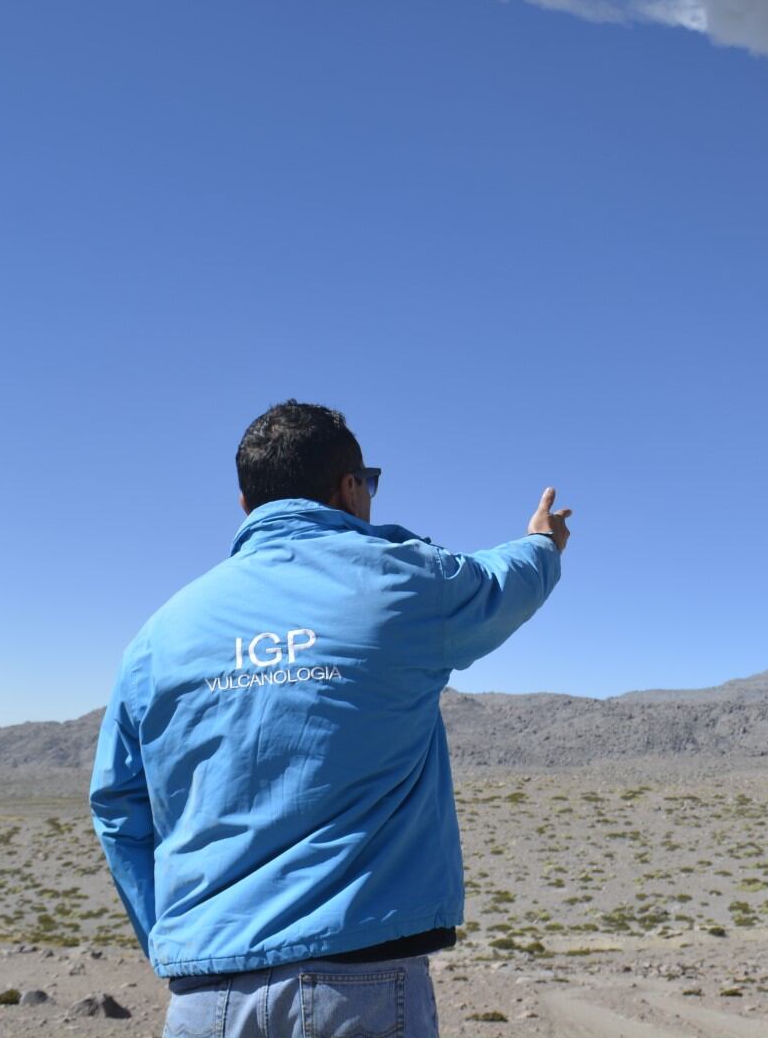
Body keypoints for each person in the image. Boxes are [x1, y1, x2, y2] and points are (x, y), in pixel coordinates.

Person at [90, 401, 571, 1038]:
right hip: (359, 988)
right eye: (366, 482)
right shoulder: (404, 581)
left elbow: (118, 803)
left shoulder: (159, 636)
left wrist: (178, 939)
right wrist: (542, 542)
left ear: (245, 505)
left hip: (204, 996)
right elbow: (499, 585)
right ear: (350, 487)